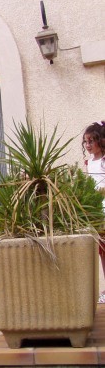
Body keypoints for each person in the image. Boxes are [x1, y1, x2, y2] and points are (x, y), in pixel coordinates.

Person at [82, 121, 105, 303]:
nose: (88, 145)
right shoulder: (88, 163)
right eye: (86, 142)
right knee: (102, 251)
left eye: (91, 141)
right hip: (97, 213)